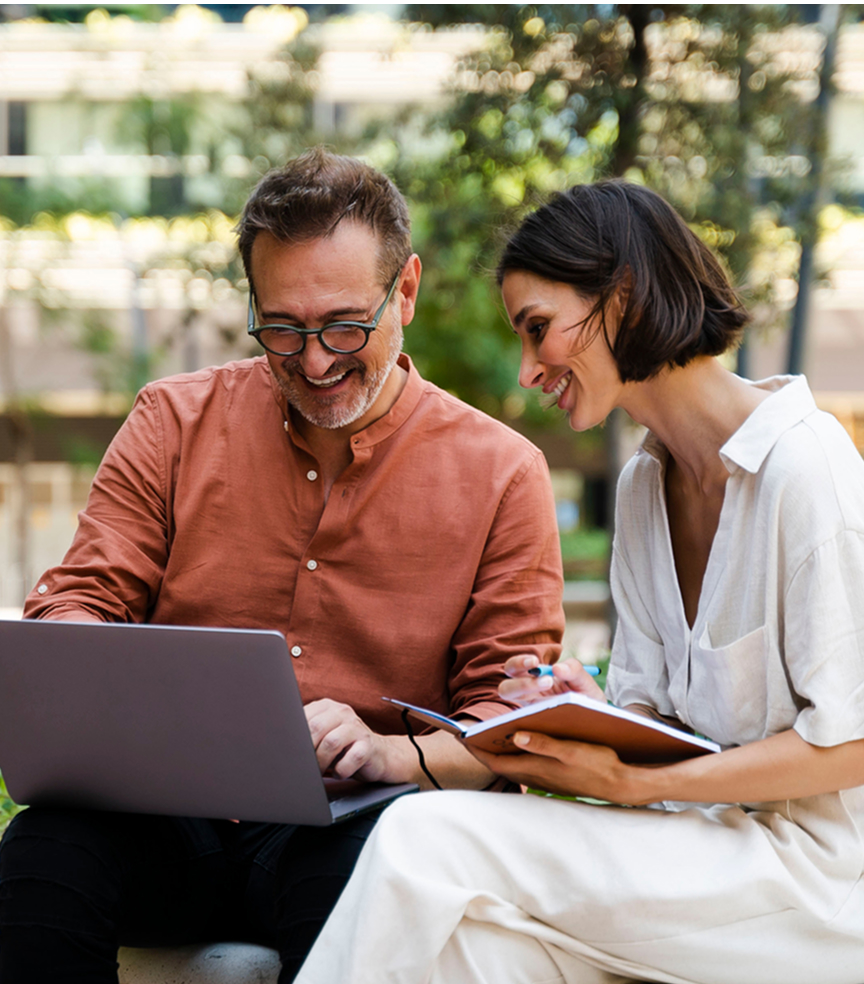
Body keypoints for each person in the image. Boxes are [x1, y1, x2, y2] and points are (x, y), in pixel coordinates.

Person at [0, 148, 565, 983]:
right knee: (43, 859)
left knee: (360, 891)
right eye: (283, 329)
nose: (314, 360)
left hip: (353, 824)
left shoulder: (502, 472)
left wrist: (387, 750)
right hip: (167, 819)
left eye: (344, 325)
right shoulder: (173, 421)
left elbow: (505, 722)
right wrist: (102, 681)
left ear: (403, 291)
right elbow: (79, 604)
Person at [293, 180, 864, 984]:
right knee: (470, 953)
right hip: (690, 858)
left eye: (538, 330)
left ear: (622, 298)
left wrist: (626, 781)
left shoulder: (807, 469)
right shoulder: (642, 488)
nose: (528, 370)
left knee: (424, 837)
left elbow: (849, 743)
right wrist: (588, 715)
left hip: (813, 887)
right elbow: (655, 711)